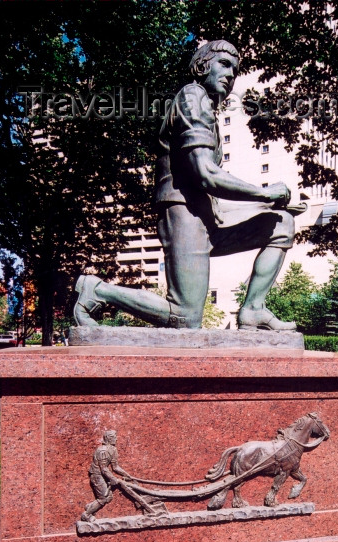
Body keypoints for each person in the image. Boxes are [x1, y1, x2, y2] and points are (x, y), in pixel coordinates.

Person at [74, 40, 297, 331]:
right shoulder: (193, 97)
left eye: (235, 70)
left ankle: (253, 309)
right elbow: (206, 172)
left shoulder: (207, 108)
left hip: (205, 211)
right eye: (224, 64)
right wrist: (264, 192)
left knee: (281, 223)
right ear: (202, 66)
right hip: (183, 211)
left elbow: (209, 179)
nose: (231, 75)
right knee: (185, 317)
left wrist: (265, 203)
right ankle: (96, 290)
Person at [81, 430, 132, 522]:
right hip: (96, 475)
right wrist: (113, 479)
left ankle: (91, 507)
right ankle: (87, 515)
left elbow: (115, 467)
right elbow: (103, 468)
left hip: (103, 475)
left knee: (108, 497)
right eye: (114, 437)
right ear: (109, 438)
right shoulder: (103, 451)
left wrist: (127, 475)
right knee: (103, 498)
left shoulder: (113, 450)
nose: (116, 439)